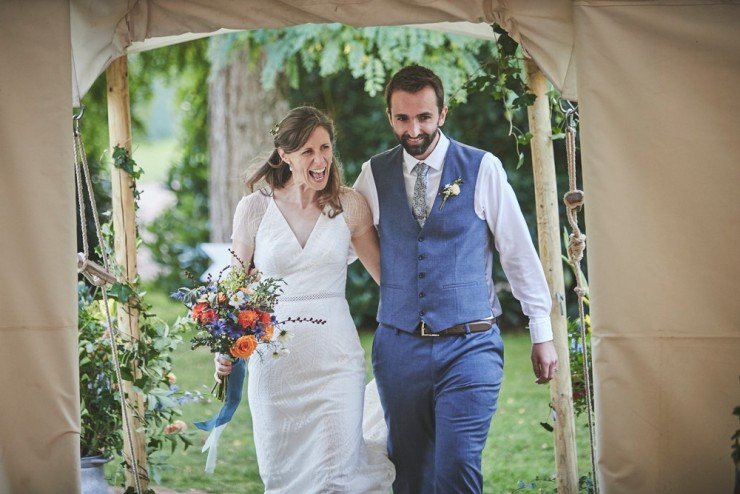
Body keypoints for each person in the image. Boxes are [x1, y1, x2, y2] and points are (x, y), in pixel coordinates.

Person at [353, 65, 559, 493]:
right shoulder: (373, 174)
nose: (414, 130)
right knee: (410, 474)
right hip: (398, 348)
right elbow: (343, 242)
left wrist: (541, 330)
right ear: (390, 117)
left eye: (424, 117)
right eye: (404, 118)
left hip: (470, 344)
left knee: (457, 468)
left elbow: (517, 251)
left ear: (442, 114)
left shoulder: (483, 168)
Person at [215, 106, 394, 492]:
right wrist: (224, 348)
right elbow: (234, 291)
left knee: (338, 475)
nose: (320, 160)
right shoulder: (254, 209)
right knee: (282, 477)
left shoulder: (349, 205)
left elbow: (388, 281)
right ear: (284, 154)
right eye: (308, 151)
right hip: (275, 369)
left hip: (336, 363)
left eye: (326, 148)